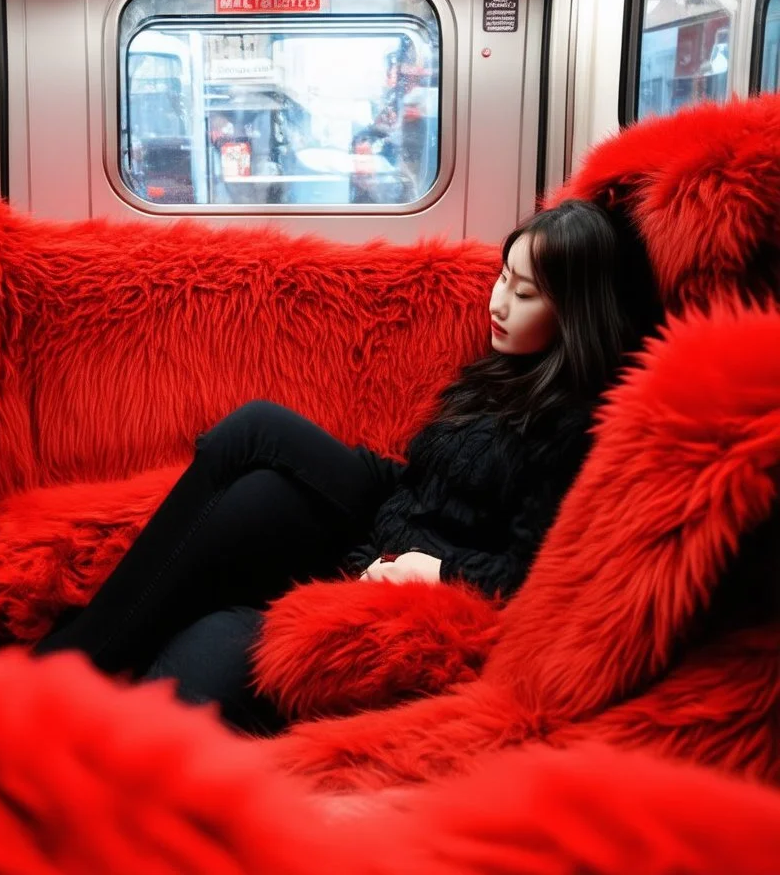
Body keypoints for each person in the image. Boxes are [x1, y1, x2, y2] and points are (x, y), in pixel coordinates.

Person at [35, 200, 662, 733]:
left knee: (189, 664)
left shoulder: (575, 425)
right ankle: (82, 651)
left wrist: (435, 568)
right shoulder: (505, 369)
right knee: (256, 443)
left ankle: (84, 655)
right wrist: (334, 468)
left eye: (524, 293)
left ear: (577, 314)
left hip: (405, 576)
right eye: (502, 277)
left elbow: (531, 573)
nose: (500, 301)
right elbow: (425, 482)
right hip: (378, 528)